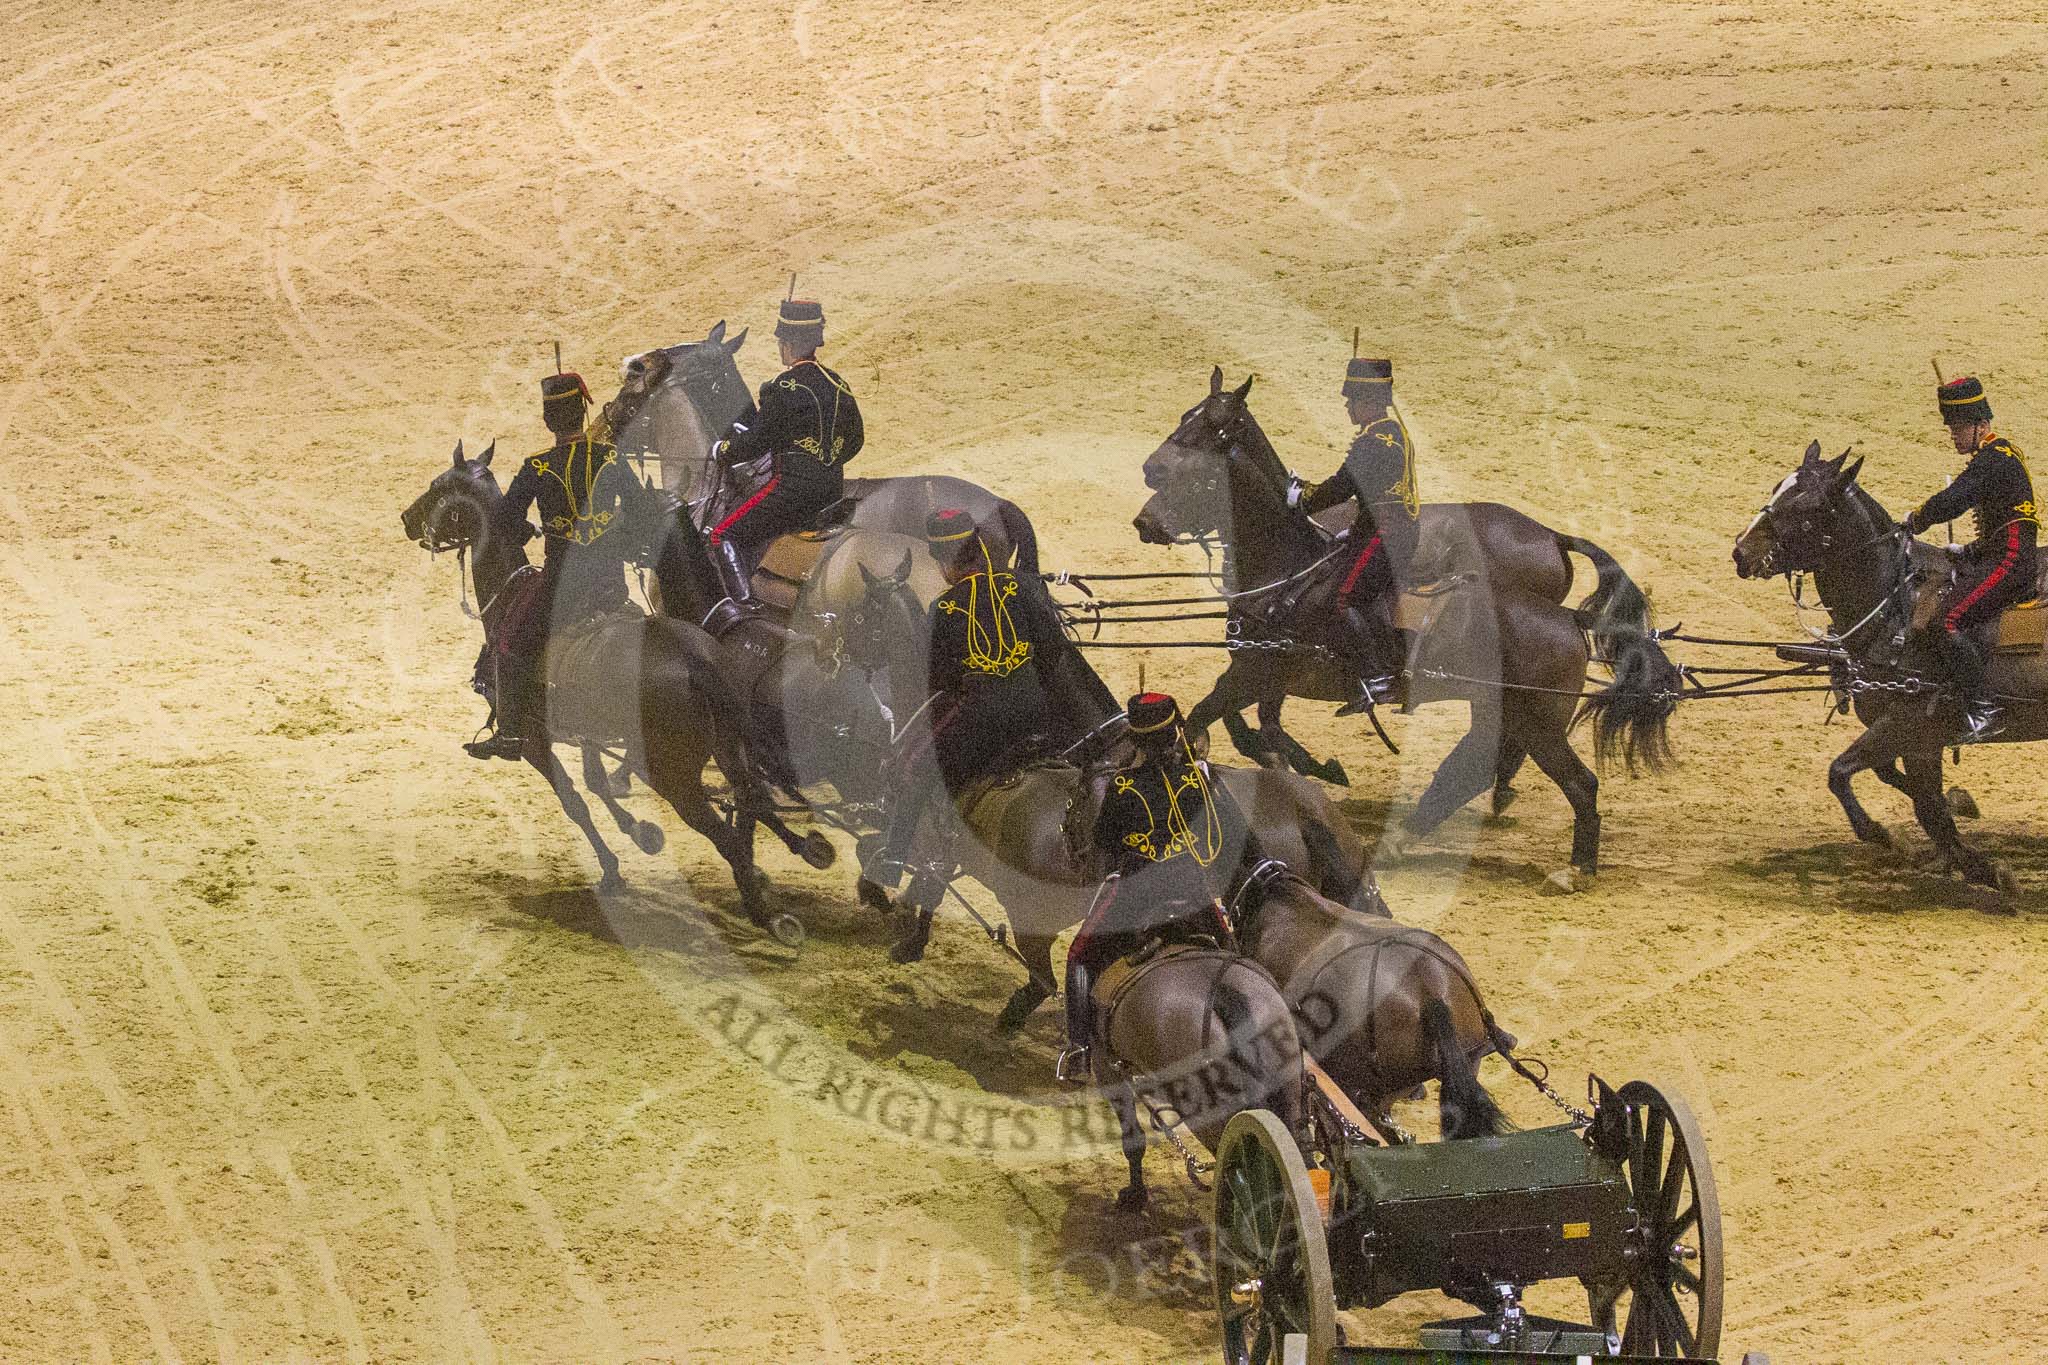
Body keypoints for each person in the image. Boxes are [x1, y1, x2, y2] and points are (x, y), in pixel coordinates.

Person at [871, 509, 1077, 905]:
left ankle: (892, 862)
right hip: (1038, 712)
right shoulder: (1020, 586)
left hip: (983, 722)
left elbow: (939, 681)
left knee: (918, 766)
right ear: (980, 550)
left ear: (944, 562)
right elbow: (1053, 650)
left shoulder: (943, 610)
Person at [1058, 693, 1265, 1081]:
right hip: (1193, 894)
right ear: (1176, 734)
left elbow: (1105, 843)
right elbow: (1231, 835)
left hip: (1136, 897)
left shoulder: (1122, 786)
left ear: (1135, 741)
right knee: (1234, 951)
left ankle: (1080, 1050)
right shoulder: (1199, 779)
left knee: (1078, 955)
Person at [466, 371, 640, 759]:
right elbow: (642, 512)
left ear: (548, 420)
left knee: (509, 643)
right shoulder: (610, 457)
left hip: (564, 592)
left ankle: (510, 734)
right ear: (582, 412)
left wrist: (530, 529)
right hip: (613, 585)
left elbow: (505, 522)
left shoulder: (538, 467)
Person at [705, 297, 864, 628]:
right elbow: (856, 440)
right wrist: (827, 461)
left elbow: (757, 442)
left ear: (788, 343)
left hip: (792, 492)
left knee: (723, 534)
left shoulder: (783, 387)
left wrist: (723, 449)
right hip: (832, 489)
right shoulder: (838, 384)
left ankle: (744, 607)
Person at [1902, 374, 2039, 741]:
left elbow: (1954, 500)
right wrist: (1966, 551)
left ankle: (1983, 708)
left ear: (1981, 425)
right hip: (2001, 555)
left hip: (2010, 563)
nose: (1954, 436)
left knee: (1948, 619)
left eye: (1958, 428)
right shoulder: (1999, 456)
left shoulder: (1993, 458)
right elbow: (2004, 522)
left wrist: (1916, 518)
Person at [1286, 356, 1420, 716]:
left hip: (1385, 535)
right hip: (1383, 528)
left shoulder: (1374, 441)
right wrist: (1352, 530)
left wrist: (1302, 498)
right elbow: (1372, 492)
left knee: (1343, 598)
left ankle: (1378, 677)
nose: (1348, 406)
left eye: (1352, 400)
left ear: (1368, 402)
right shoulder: (1390, 434)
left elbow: (1341, 488)